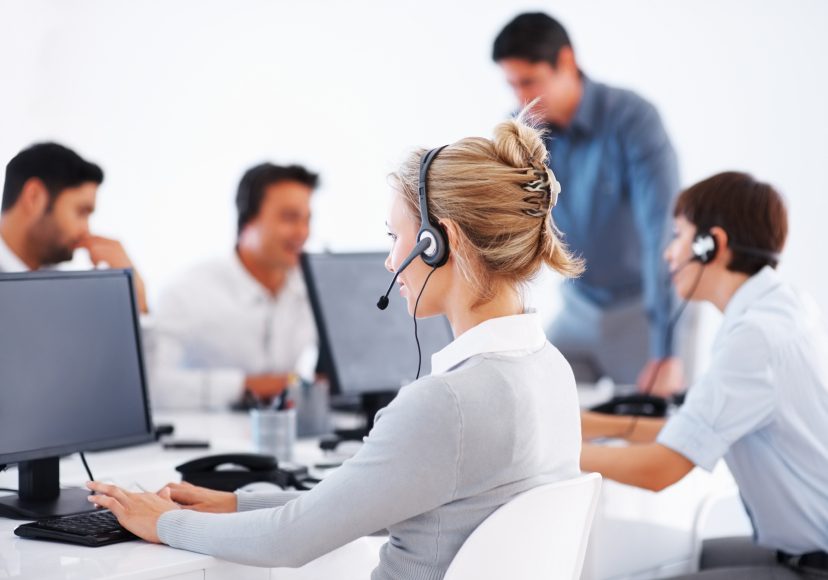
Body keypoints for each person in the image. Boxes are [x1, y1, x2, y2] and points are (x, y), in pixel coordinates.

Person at [87, 111, 585, 578]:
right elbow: (368, 500)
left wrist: (161, 523)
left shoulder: (445, 404)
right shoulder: (551, 370)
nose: (391, 262)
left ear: (439, 241)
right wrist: (235, 504)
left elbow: (289, 541)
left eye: (396, 236)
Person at [580, 172, 828, 578]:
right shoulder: (783, 307)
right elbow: (689, 426)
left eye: (678, 235)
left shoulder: (755, 338)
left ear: (711, 245)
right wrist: (586, 424)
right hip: (805, 548)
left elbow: (659, 469)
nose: (668, 253)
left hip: (813, 562)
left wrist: (552, 453)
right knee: (686, 560)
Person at [493, 13, 684, 395]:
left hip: (643, 310)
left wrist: (666, 349)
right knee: (536, 401)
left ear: (566, 61)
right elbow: (506, 231)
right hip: (579, 306)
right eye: (512, 85)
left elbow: (660, 234)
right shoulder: (521, 129)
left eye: (529, 82)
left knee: (651, 434)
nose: (520, 98)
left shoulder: (633, 119)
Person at [150, 163, 318, 409]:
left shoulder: (308, 288)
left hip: (290, 437)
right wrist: (245, 386)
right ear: (247, 220)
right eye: (290, 218)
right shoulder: (187, 291)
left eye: (307, 219)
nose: (303, 232)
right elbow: (154, 386)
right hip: (210, 440)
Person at [0, 142, 148, 312]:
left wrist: (136, 299)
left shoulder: (64, 295)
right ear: (34, 197)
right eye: (81, 212)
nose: (86, 230)